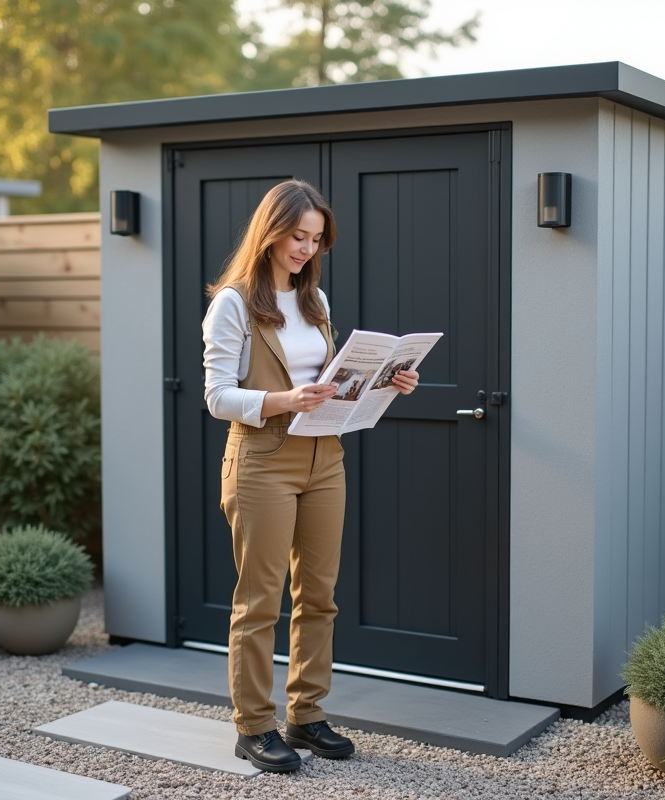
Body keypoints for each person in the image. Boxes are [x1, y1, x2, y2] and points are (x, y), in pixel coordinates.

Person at [202, 179, 419, 772]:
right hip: (262, 461)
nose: (306, 249)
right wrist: (284, 399)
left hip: (326, 459)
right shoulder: (234, 304)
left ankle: (306, 715)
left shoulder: (315, 303)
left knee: (319, 597)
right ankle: (252, 725)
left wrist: (386, 384)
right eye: (298, 236)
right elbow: (217, 396)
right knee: (259, 601)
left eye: (316, 239)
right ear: (269, 232)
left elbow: (330, 389)